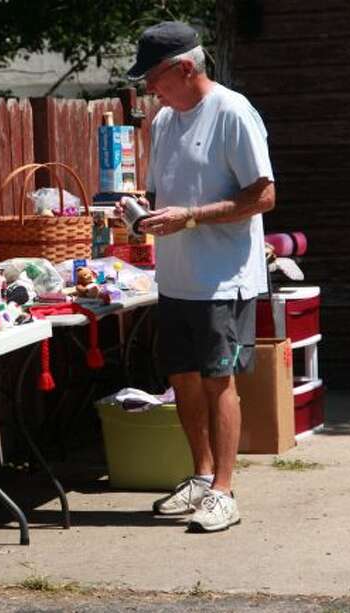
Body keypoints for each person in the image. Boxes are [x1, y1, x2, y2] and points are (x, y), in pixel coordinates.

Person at [119, 21, 275, 532]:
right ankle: (202, 479)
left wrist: (190, 216)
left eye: (154, 79)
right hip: (175, 277)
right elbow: (163, 197)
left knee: (217, 381)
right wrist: (139, 211)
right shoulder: (163, 122)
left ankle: (225, 492)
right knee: (183, 380)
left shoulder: (232, 111)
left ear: (185, 68)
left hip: (222, 279)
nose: (149, 90)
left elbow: (264, 196)